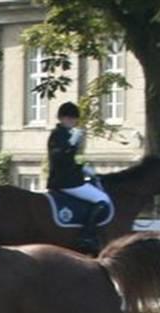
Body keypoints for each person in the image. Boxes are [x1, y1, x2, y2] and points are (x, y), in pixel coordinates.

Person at [47, 101, 111, 252]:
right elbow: (59, 157)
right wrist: (71, 143)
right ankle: (86, 235)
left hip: (69, 177)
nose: (72, 121)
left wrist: (82, 168)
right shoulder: (57, 135)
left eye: (74, 119)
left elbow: (68, 161)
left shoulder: (66, 134)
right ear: (62, 118)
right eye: (69, 118)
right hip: (66, 181)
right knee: (102, 199)